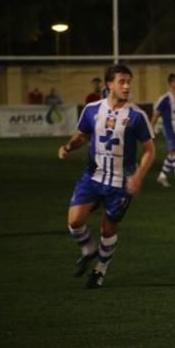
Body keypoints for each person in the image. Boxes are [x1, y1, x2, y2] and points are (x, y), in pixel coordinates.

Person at [58, 64, 155, 289]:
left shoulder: (137, 115)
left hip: (120, 183)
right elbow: (83, 135)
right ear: (109, 84)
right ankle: (88, 249)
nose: (127, 86)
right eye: (122, 81)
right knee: (74, 221)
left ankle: (100, 270)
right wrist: (68, 146)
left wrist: (139, 176)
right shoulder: (92, 109)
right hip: (93, 176)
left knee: (108, 229)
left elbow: (150, 150)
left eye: (129, 81)